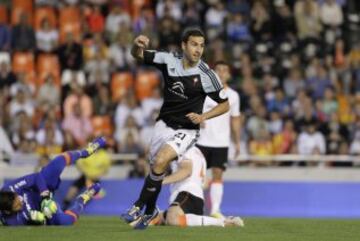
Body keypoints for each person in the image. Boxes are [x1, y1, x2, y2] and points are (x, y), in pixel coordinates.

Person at [122, 28, 230, 229]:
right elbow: (136, 55)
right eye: (194, 44)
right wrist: (136, 45)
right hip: (163, 125)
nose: (198, 49)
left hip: (187, 130)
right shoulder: (168, 60)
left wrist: (203, 116)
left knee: (162, 159)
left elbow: (225, 105)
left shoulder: (207, 75)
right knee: (156, 167)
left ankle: (138, 205)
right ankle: (151, 211)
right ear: (183, 45)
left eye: (201, 45)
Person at [0, 137, 106, 226]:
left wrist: (45, 197)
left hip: (41, 187)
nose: (21, 202)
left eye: (18, 198)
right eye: (18, 206)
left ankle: (86, 151)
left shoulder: (10, 188)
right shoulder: (12, 222)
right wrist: (38, 220)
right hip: (44, 210)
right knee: (66, 221)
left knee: (59, 161)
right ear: (8, 211)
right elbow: (35, 225)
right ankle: (85, 197)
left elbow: (36, 177)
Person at [149, 147, 244, 227]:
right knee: (160, 218)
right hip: (195, 197)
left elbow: (186, 171)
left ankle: (222, 222)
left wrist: (160, 181)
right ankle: (157, 216)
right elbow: (205, 182)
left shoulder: (184, 149)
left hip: (187, 194)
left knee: (172, 218)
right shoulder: (198, 152)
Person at [196, 61, 241, 218]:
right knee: (196, 176)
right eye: (218, 70)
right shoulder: (203, 91)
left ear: (229, 75)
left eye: (225, 70)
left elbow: (235, 120)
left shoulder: (234, 96)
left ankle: (215, 210)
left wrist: (237, 142)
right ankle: (196, 208)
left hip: (221, 142)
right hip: (201, 141)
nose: (221, 73)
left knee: (217, 174)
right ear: (213, 73)